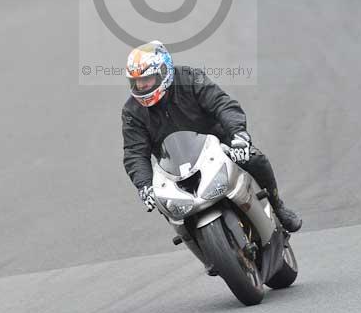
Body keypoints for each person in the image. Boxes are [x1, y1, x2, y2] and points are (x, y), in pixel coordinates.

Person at [122, 40, 302, 238]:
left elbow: (222, 104)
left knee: (254, 159)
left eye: (147, 79)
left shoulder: (190, 79)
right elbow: (134, 152)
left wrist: (238, 135)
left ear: (164, 72)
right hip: (173, 168)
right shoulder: (132, 111)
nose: (141, 86)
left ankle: (278, 208)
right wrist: (145, 185)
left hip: (217, 148)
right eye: (136, 82)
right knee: (164, 201)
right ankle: (203, 248)